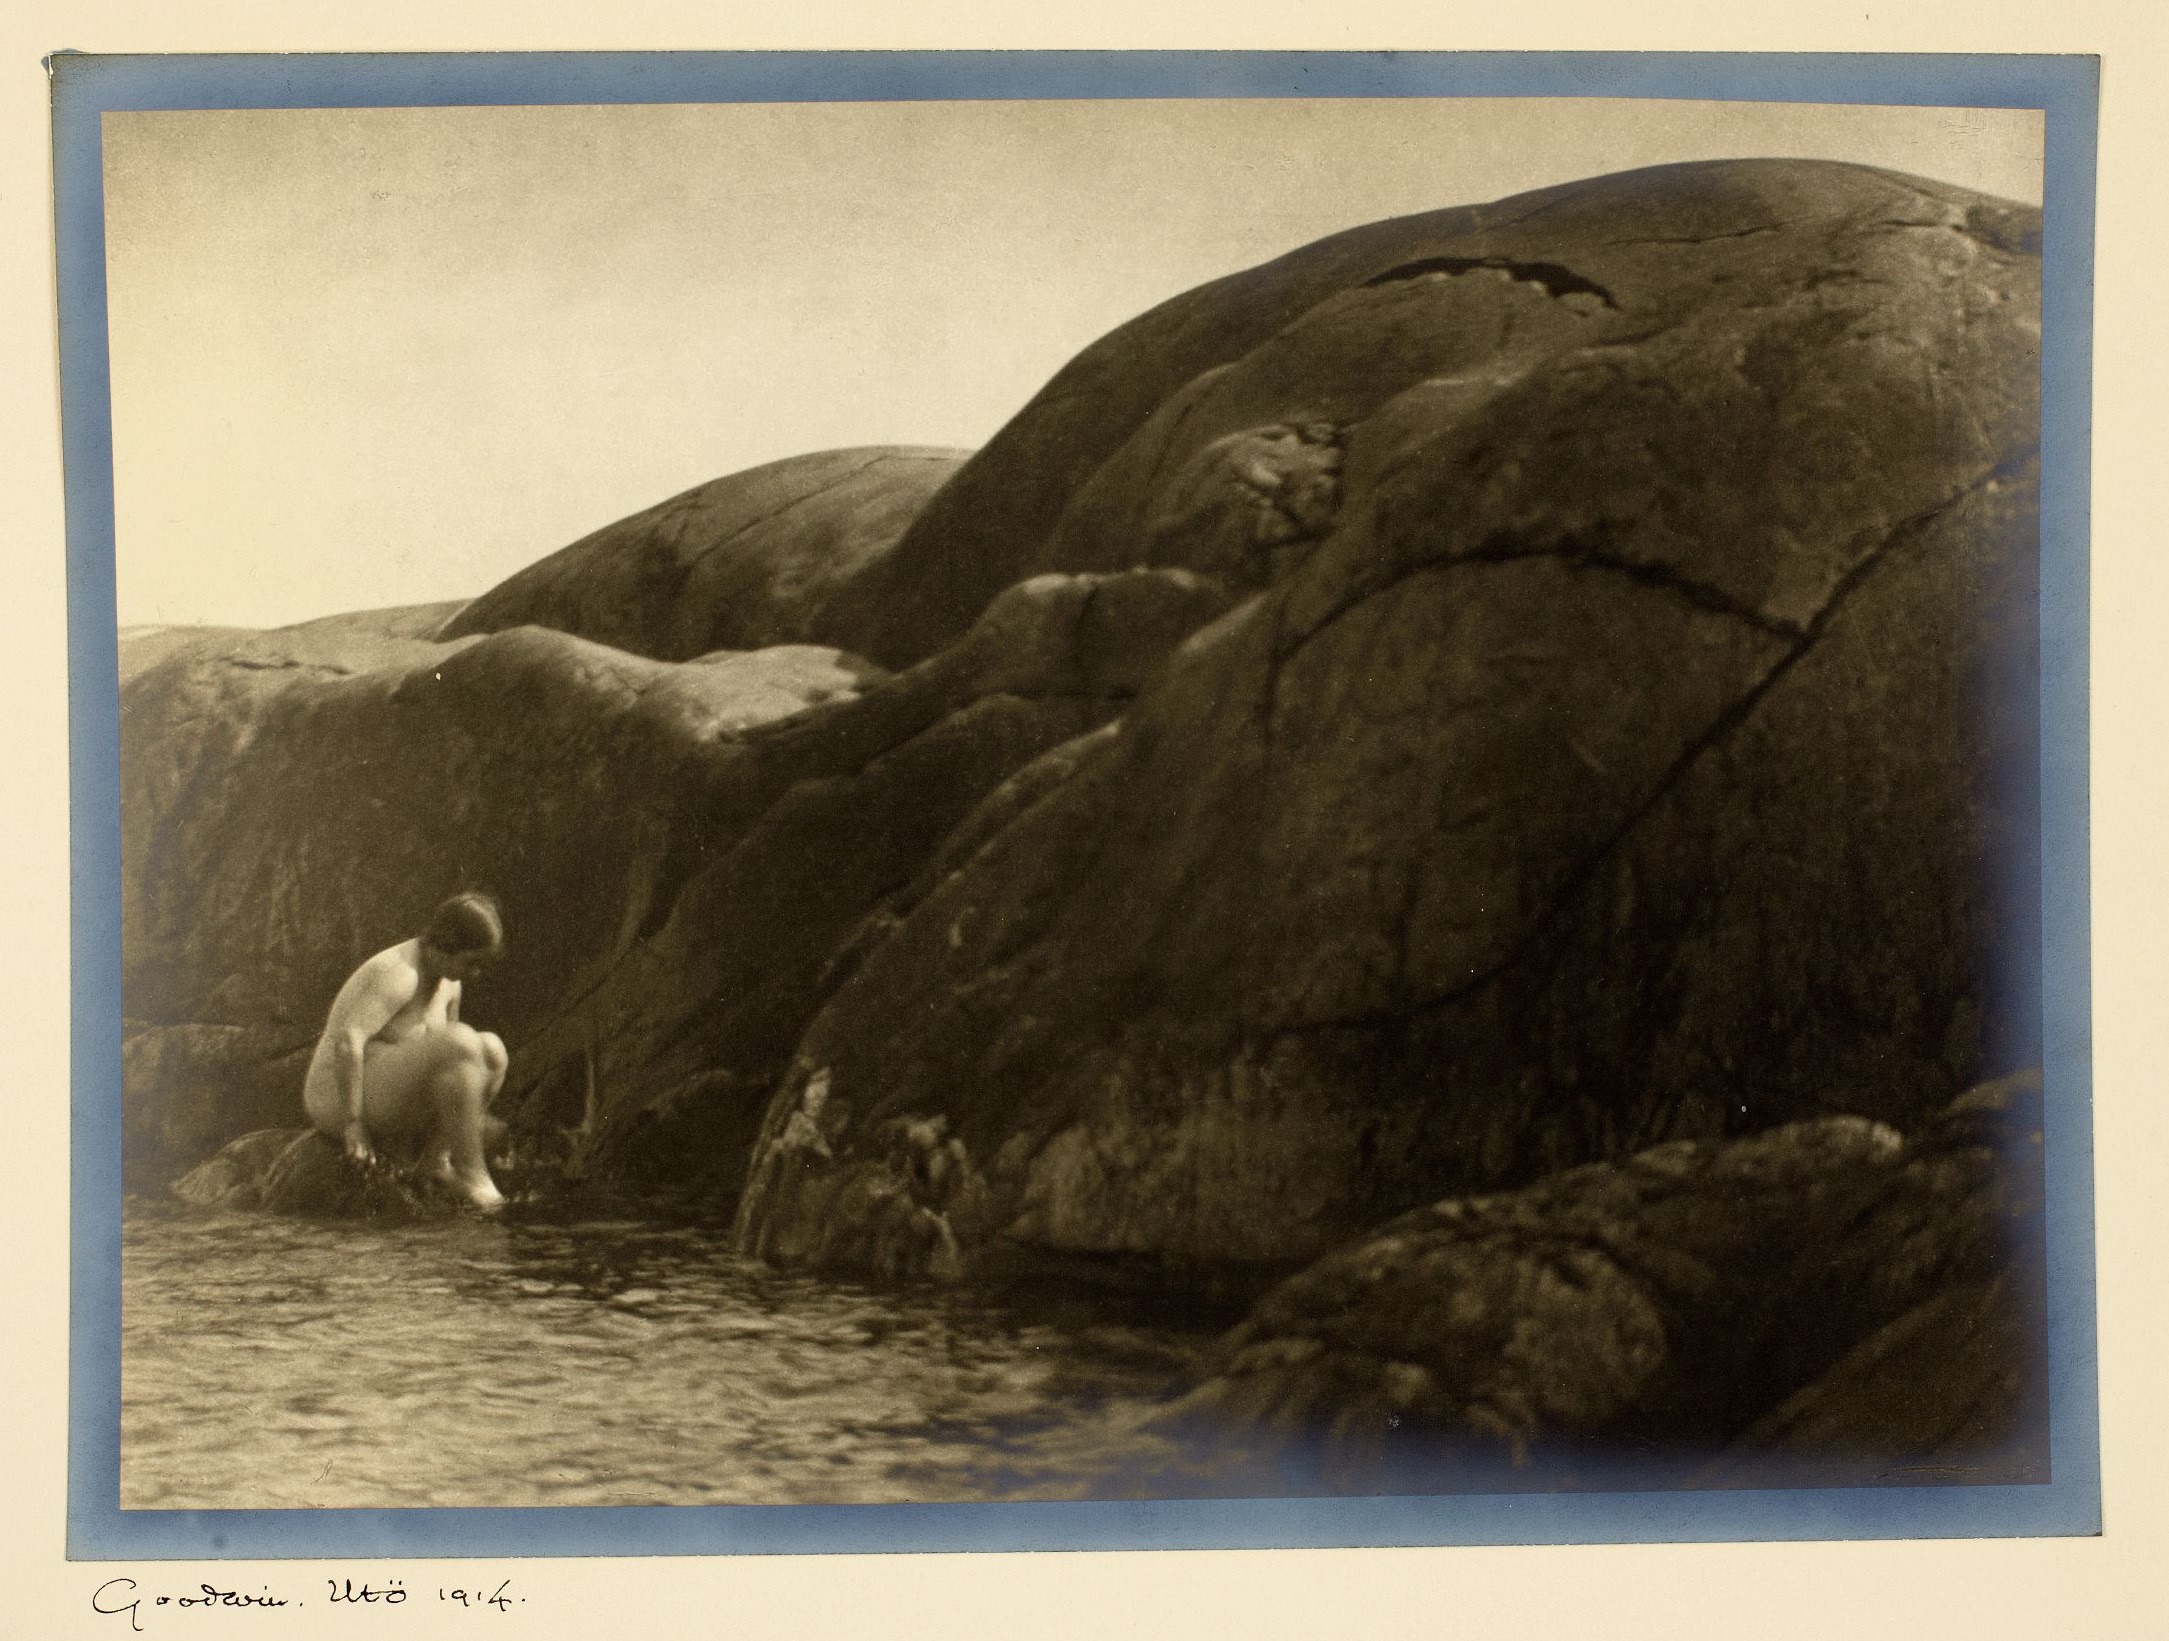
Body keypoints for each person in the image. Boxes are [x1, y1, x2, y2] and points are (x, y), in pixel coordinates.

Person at [301, 892, 510, 1210]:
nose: (475, 974)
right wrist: (353, 1126)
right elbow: (349, 1041)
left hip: (384, 1094)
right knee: (461, 1041)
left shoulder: (450, 980)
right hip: (337, 1097)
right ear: (443, 945)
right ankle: (472, 1174)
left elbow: (457, 1069)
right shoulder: (401, 974)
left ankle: (437, 1162)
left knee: (492, 1051)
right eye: (471, 963)